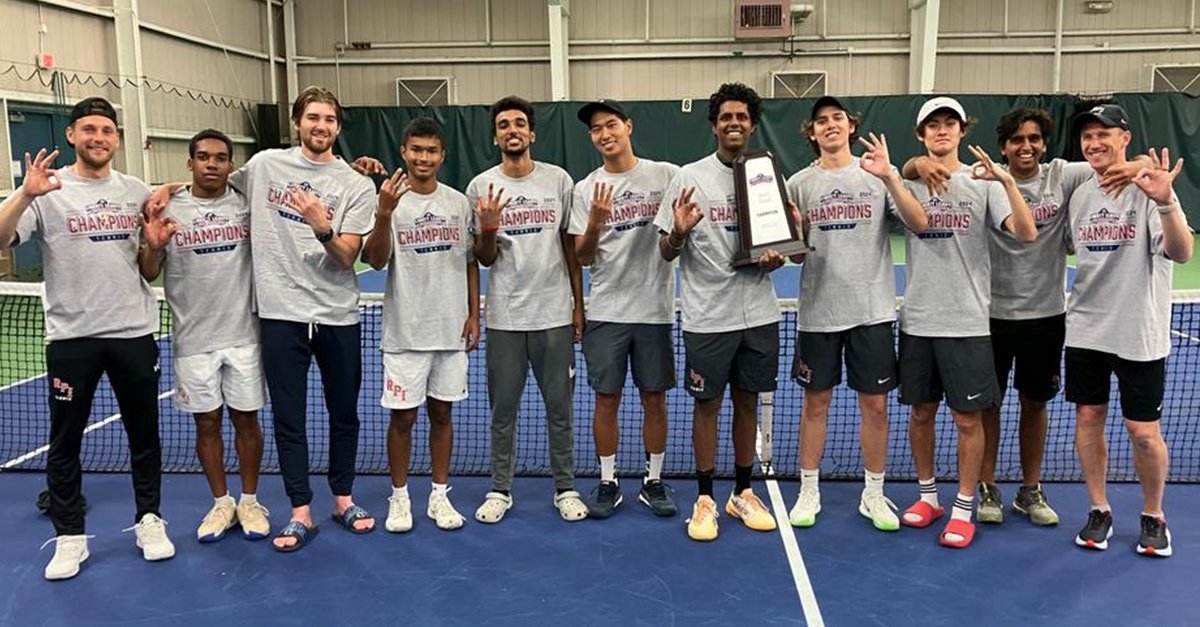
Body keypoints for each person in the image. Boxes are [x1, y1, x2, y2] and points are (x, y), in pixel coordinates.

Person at [151, 85, 379, 551]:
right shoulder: (263, 167)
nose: (321, 126)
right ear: (297, 123)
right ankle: (299, 511)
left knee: (344, 415)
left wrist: (321, 225)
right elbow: (211, 182)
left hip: (337, 315)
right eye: (312, 117)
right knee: (289, 419)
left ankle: (343, 498)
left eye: (329, 120)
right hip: (279, 315)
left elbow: (347, 256)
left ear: (338, 127)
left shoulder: (356, 185)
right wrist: (168, 187)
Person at [904, 107, 1147, 527]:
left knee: (1035, 405)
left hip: (1046, 314)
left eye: (1034, 139)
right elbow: (910, 169)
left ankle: (1030, 489)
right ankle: (987, 487)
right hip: (990, 315)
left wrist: (1140, 163)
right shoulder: (985, 177)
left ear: (1044, 144)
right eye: (1017, 140)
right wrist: (916, 161)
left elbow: (1115, 159)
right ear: (1003, 148)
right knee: (987, 408)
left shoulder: (1063, 176)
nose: (1026, 147)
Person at [0, 96, 174, 579]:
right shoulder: (47, 191)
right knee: (65, 441)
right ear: (72, 135)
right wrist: (26, 194)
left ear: (117, 138)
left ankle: (149, 519)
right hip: (72, 337)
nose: (99, 137)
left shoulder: (135, 190)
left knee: (145, 436)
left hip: (134, 332)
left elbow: (147, 268)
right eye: (89, 129)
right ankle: (69, 536)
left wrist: (155, 250)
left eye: (107, 130)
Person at [896, 96, 1036, 549]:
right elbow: (901, 172)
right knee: (921, 413)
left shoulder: (986, 182)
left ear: (962, 132)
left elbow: (1027, 232)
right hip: (918, 319)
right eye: (932, 125)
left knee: (967, 420)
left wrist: (1007, 181)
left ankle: (962, 508)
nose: (941, 131)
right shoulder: (907, 181)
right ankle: (928, 498)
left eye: (949, 124)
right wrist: (915, 165)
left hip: (968, 322)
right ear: (921, 134)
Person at [784, 96, 926, 532]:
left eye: (837, 119)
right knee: (815, 405)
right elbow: (793, 257)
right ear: (811, 132)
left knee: (876, 407)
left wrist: (891, 175)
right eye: (821, 121)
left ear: (851, 126)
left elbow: (917, 223)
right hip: (819, 314)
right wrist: (795, 231)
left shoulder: (877, 175)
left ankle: (874, 492)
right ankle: (809, 490)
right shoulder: (797, 184)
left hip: (872, 312)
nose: (830, 126)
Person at [653, 83, 788, 542]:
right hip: (708, 317)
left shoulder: (767, 174)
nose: (734, 123)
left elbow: (780, 243)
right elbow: (664, 251)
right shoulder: (688, 177)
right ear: (714, 125)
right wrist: (677, 231)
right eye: (726, 117)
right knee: (706, 405)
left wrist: (778, 255)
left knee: (748, 402)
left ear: (752, 124)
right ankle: (706, 498)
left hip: (759, 314)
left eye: (742, 117)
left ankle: (743, 493)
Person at [1065, 104, 1192, 557]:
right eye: (1087, 136)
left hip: (1139, 332)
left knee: (1143, 431)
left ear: (1125, 137)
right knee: (1088, 420)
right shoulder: (1080, 196)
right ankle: (1099, 508)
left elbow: (1181, 252)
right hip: (1084, 330)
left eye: (1104, 133)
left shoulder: (1147, 188)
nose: (1094, 143)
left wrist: (1164, 199)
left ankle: (1153, 514)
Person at [138, 129, 271, 543]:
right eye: (203, 157)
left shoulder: (246, 203)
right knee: (207, 423)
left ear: (232, 165)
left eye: (220, 158)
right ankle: (220, 503)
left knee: (246, 421)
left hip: (244, 334)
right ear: (190, 162)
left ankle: (249, 501)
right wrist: (155, 247)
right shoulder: (165, 207)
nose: (211, 164)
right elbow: (147, 271)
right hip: (193, 339)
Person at [467, 95, 588, 524]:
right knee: (503, 412)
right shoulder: (480, 187)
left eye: (519, 123)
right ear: (496, 135)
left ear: (531, 133)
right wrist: (488, 227)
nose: (512, 130)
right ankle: (500, 489)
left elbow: (571, 249)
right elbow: (482, 257)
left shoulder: (558, 181)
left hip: (554, 316)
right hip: (504, 319)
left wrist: (578, 306)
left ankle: (566, 487)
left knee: (561, 410)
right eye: (503, 125)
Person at [361, 117, 479, 532]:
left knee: (442, 415)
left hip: (450, 331)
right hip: (405, 333)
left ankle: (439, 495)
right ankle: (399, 498)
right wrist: (383, 213)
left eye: (431, 150)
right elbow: (375, 260)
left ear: (442, 155)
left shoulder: (458, 202)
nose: (423, 157)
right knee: (403, 419)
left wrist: (474, 314)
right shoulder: (390, 199)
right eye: (416, 150)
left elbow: (470, 263)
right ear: (404, 153)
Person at [569, 100, 679, 519]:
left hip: (654, 311)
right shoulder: (585, 189)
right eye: (596, 129)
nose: (604, 134)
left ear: (628, 126)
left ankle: (653, 481)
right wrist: (596, 220)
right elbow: (580, 256)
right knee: (606, 401)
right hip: (607, 311)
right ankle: (608, 481)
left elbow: (676, 236)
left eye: (611, 124)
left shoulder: (666, 175)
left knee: (655, 400)